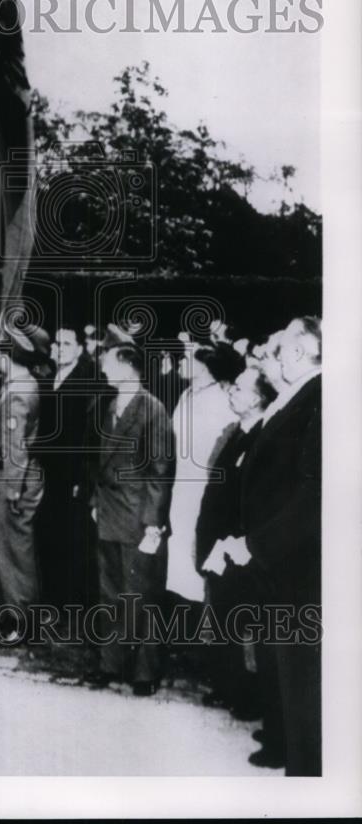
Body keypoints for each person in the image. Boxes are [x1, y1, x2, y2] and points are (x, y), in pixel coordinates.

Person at [236, 317, 322, 775]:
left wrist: (260, 544)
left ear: (303, 351)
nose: (277, 353)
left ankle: (306, 780)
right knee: (288, 676)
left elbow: (314, 495)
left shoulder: (320, 397)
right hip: (280, 560)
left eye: (285, 345)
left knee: (303, 685)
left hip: (298, 566)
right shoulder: (301, 395)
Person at [87, 341, 174, 695]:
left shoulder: (152, 410)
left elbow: (160, 469)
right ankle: (111, 664)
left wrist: (153, 523)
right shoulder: (109, 405)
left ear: (127, 366)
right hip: (108, 514)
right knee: (109, 594)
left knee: (142, 596)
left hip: (137, 518)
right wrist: (95, 501)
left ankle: (145, 673)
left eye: (108, 362)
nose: (103, 368)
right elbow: (98, 462)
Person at [196, 366, 277, 720]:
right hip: (218, 545)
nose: (232, 392)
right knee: (224, 617)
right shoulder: (234, 433)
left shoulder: (261, 436)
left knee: (243, 623)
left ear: (258, 398)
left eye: (240, 389)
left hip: (236, 547)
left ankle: (248, 696)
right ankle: (230, 687)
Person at [0, 321, 51, 644]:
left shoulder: (21, 392)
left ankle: (21, 621)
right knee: (13, 550)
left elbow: (17, 448)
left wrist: (11, 488)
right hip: (12, 475)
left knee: (14, 552)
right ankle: (21, 615)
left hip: (14, 478)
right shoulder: (17, 385)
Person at [166, 341, 243, 607]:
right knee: (179, 555)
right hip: (181, 487)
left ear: (205, 365)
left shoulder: (221, 400)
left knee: (197, 553)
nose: (178, 362)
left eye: (186, 358)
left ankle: (202, 631)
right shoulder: (187, 394)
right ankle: (183, 629)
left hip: (203, 488)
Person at [35, 327, 96, 611]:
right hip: (48, 470)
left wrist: (80, 477)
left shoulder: (85, 382)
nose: (59, 348)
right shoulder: (49, 379)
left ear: (80, 349)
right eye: (56, 343)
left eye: (67, 343)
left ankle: (71, 600)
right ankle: (51, 595)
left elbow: (86, 434)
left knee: (70, 536)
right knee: (48, 531)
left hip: (70, 473)